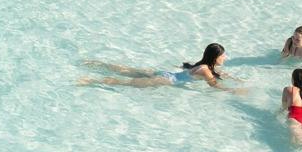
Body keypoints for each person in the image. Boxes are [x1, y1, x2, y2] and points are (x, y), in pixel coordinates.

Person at [79, 43, 234, 89]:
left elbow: (212, 76)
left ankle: (94, 64)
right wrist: (233, 90)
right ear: (215, 57)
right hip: (166, 81)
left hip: (165, 74)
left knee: (129, 71)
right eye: (223, 55)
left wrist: (226, 76)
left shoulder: (202, 66)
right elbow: (214, 86)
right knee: (128, 83)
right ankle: (91, 81)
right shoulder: (206, 70)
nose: (225, 57)